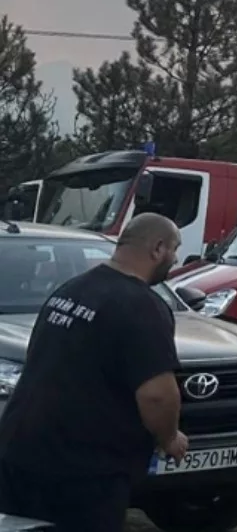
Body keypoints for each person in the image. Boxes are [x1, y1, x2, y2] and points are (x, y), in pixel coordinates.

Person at [0, 213, 185, 530]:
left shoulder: (70, 290)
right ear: (157, 248)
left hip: (22, 451)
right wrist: (169, 437)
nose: (176, 259)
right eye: (174, 249)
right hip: (84, 469)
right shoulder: (142, 306)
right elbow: (156, 395)